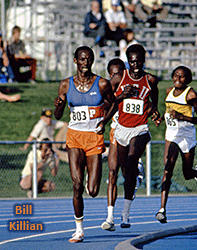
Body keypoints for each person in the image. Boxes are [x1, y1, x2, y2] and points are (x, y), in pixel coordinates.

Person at [54, 45, 116, 243]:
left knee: (93, 190)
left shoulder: (103, 84)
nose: (85, 63)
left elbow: (113, 104)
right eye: (81, 59)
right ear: (75, 61)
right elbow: (58, 114)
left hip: (93, 138)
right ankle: (79, 229)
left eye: (88, 59)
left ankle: (93, 174)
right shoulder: (65, 85)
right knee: (76, 184)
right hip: (74, 137)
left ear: (92, 61)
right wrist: (59, 106)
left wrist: (103, 122)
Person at [99, 44, 160, 227]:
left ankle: (125, 214)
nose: (135, 65)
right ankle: (134, 177)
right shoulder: (119, 78)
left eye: (138, 61)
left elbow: (154, 97)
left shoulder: (150, 79)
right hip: (121, 129)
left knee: (132, 158)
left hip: (140, 128)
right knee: (126, 172)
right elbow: (108, 100)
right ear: (128, 61)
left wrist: (154, 110)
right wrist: (120, 98)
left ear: (143, 60)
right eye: (132, 62)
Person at [101, 58, 147, 231]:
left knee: (128, 173)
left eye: (119, 74)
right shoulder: (108, 89)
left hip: (133, 131)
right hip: (116, 131)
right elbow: (107, 105)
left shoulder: (134, 86)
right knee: (112, 173)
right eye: (113, 74)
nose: (116, 77)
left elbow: (146, 105)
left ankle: (126, 212)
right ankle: (110, 217)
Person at [154, 66, 197, 224]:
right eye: (176, 76)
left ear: (188, 79)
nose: (178, 79)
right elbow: (167, 111)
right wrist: (160, 119)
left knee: (187, 173)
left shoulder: (190, 94)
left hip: (187, 136)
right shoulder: (168, 91)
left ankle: (195, 173)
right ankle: (162, 210)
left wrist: (182, 117)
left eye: (182, 77)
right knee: (167, 169)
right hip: (172, 135)